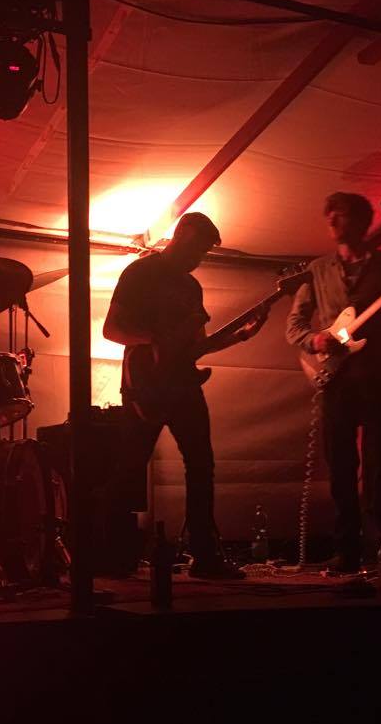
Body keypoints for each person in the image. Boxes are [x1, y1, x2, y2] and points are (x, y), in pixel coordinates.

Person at [102, 212, 269, 580]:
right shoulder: (140, 273)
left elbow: (197, 347)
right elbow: (111, 329)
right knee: (130, 467)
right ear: (182, 234)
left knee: (200, 465)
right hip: (145, 386)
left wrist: (240, 336)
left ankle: (205, 555)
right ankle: (111, 555)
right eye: (198, 249)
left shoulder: (192, 288)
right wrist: (152, 342)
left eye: (204, 252)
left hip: (183, 385)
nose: (200, 258)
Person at [286, 192, 381, 575]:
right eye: (328, 214)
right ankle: (347, 550)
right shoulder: (318, 269)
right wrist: (315, 340)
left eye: (339, 214)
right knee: (341, 466)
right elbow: (295, 324)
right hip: (336, 379)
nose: (330, 220)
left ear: (361, 221)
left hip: (376, 377)